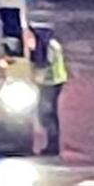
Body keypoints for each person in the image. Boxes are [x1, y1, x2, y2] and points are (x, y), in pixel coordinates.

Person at [31, 23, 69, 157]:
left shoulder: (48, 46)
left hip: (50, 82)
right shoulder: (53, 43)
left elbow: (44, 63)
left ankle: (53, 145)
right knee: (50, 113)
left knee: (47, 113)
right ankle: (52, 144)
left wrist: (35, 77)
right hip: (55, 81)